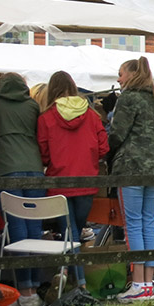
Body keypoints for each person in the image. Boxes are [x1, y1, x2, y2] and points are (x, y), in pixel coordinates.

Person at [38, 70, 108, 292]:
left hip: (59, 182)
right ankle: (77, 280)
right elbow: (103, 147)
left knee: (69, 232)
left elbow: (43, 153)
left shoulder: (46, 117)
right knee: (75, 232)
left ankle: (72, 277)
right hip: (87, 179)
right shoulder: (92, 115)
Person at [0, 72, 46, 306]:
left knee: (17, 230)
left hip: (6, 168)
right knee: (35, 231)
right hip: (34, 167)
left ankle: (25, 291)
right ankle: (34, 289)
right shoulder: (32, 105)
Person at [108, 57, 154, 302]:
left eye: (120, 74)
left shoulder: (127, 99)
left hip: (131, 167)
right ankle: (149, 285)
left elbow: (117, 134)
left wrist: (107, 151)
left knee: (132, 225)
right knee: (148, 223)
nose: (118, 79)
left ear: (131, 75)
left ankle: (139, 284)